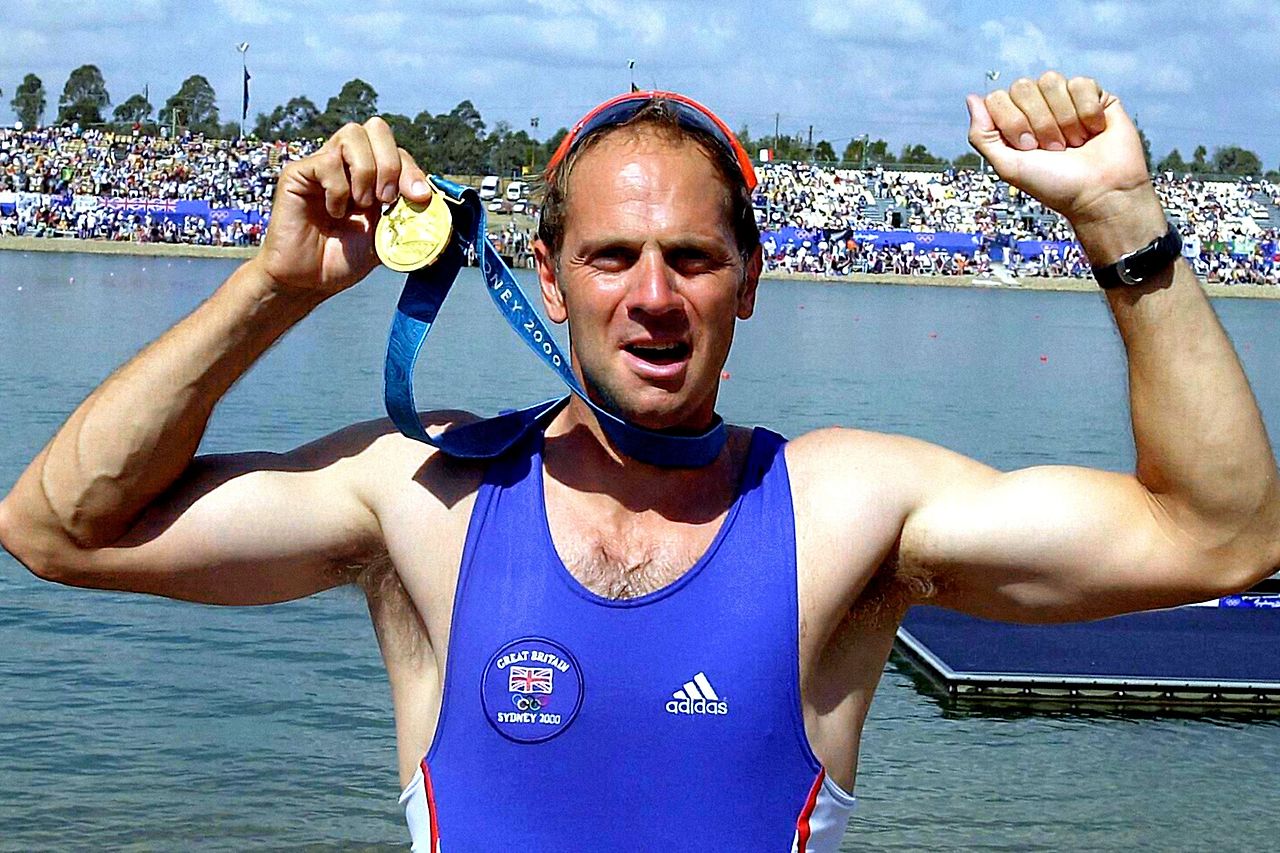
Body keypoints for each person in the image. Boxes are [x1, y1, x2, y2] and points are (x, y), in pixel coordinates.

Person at [2, 73, 1278, 851]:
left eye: (693, 259)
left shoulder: (844, 508)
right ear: (549, 279)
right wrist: (273, 290)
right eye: (611, 257)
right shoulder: (427, 492)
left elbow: (1220, 536)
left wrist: (1117, 216)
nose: (653, 297)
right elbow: (58, 528)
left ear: (749, 282)